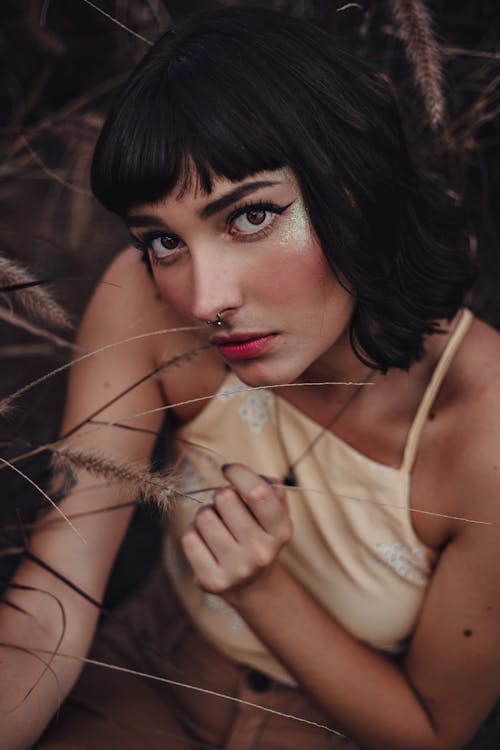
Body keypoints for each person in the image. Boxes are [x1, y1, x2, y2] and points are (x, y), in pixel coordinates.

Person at [1, 6, 499, 749]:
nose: (206, 301)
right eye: (164, 239)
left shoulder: (485, 428)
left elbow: (430, 731)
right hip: (148, 673)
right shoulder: (142, 296)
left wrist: (258, 588)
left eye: (250, 217)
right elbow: (50, 605)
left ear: (354, 187)